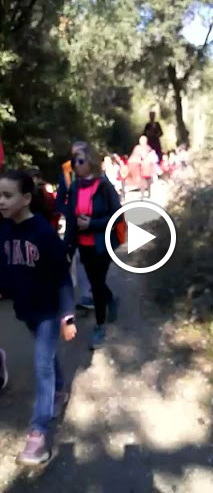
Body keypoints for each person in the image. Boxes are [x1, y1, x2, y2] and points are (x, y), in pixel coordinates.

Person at [0, 170, 76, 466]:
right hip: (26, 309)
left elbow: (62, 277)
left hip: (49, 310)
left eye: (7, 196)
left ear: (27, 198)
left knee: (41, 363)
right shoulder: (4, 230)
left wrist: (68, 314)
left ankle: (38, 435)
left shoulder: (43, 233)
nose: (1, 202)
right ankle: (60, 390)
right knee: (48, 354)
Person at [64, 142, 121, 349]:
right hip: (83, 245)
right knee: (96, 281)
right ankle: (111, 300)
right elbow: (71, 220)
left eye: (80, 161)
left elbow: (118, 215)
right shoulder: (75, 187)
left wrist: (93, 223)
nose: (76, 165)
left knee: (97, 284)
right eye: (74, 162)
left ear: (90, 161)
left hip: (103, 243)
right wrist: (67, 249)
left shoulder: (104, 185)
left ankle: (99, 326)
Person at [56, 142, 94, 310]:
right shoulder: (66, 171)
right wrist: (69, 213)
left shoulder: (96, 173)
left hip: (92, 224)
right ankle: (84, 296)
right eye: (75, 155)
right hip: (74, 225)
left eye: (81, 155)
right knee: (74, 258)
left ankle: (97, 295)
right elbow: (60, 200)